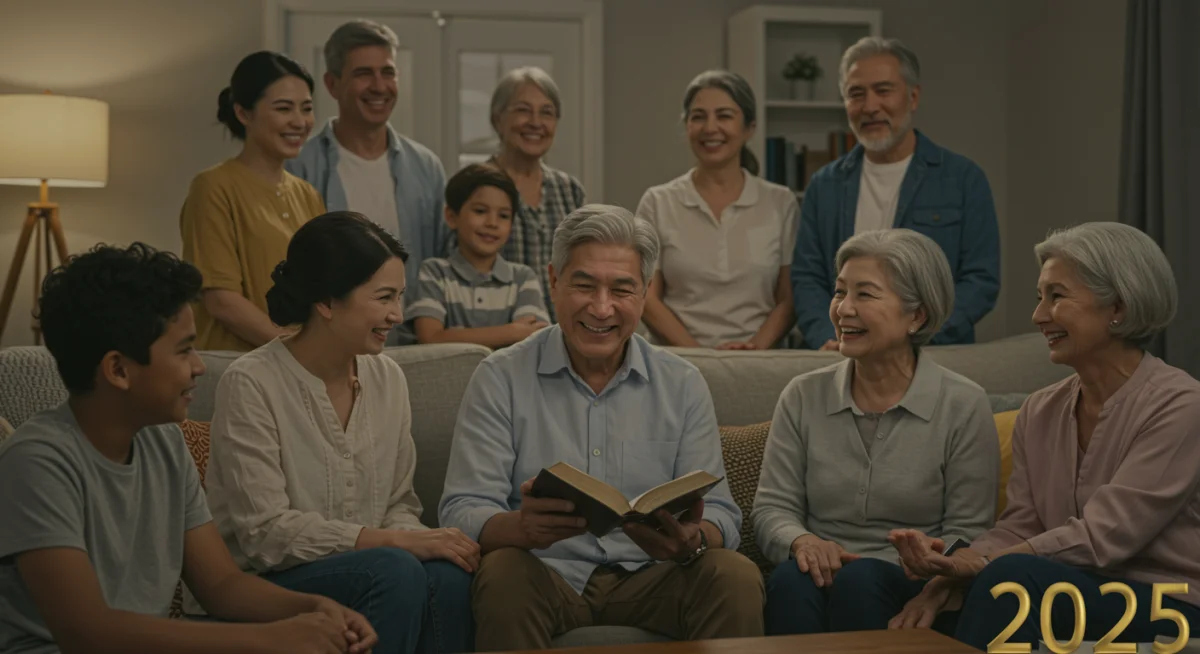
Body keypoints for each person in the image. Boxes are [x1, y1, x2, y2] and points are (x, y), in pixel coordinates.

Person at [0, 242, 376, 654]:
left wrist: (315, 608)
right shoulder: (37, 462)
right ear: (118, 369)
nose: (199, 365)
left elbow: (220, 584)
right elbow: (88, 632)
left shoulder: (162, 440)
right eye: (183, 350)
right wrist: (270, 639)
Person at [438, 204, 765, 652]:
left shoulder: (682, 383)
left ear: (646, 293)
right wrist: (520, 528)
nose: (601, 307)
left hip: (655, 576)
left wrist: (691, 540)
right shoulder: (501, 376)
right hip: (545, 573)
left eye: (622, 289)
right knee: (503, 574)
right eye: (584, 285)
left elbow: (724, 513)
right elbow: (461, 508)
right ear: (553, 280)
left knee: (734, 574)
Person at [887, 222, 1200, 651]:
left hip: (1167, 604)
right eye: (1040, 297)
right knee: (901, 590)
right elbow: (1021, 525)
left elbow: (1105, 537)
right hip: (1066, 586)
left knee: (1009, 580)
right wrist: (951, 566)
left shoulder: (1181, 404)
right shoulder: (1041, 409)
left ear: (1120, 308)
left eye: (1057, 296)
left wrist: (981, 564)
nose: (1038, 316)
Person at [202, 212, 478, 654]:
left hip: (377, 568)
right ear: (326, 302)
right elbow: (265, 534)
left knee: (447, 572)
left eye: (401, 296)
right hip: (270, 580)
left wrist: (413, 539)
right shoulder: (252, 382)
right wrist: (396, 543)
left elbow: (398, 505)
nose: (398, 314)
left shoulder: (387, 377)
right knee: (394, 568)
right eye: (384, 297)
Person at [752, 229, 999, 635]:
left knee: (861, 580)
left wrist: (934, 573)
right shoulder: (803, 394)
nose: (843, 309)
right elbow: (771, 509)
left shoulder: (963, 403)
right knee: (789, 582)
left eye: (864, 295)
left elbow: (969, 531)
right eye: (839, 291)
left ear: (916, 315)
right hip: (818, 571)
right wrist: (803, 543)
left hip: (909, 581)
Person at [792, 36, 1000, 350]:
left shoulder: (964, 179)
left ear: (913, 97)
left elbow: (980, 281)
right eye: (856, 94)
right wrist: (831, 336)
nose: (870, 106)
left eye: (883, 90)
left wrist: (911, 335)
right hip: (844, 357)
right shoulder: (824, 186)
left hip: (934, 354)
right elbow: (807, 278)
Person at [287, 19, 448, 297]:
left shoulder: (426, 167)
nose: (379, 86)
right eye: (364, 73)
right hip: (330, 337)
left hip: (414, 336)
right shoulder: (298, 167)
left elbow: (442, 261)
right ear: (332, 84)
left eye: (387, 72)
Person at [638, 70, 798, 349]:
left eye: (724, 116)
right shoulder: (657, 203)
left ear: (749, 128)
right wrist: (703, 358)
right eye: (698, 117)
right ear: (686, 125)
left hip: (759, 364)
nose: (710, 128)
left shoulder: (780, 203)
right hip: (678, 362)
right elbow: (647, 298)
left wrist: (752, 351)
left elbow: (790, 298)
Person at [180, 50, 326, 352]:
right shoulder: (212, 187)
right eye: (284, 109)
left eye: (307, 108)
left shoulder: (307, 194)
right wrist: (297, 349)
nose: (300, 122)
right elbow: (221, 301)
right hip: (233, 368)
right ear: (243, 113)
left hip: (298, 368)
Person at [409, 163, 549, 347]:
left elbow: (534, 340)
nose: (492, 223)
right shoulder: (435, 273)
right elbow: (430, 338)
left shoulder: (523, 278)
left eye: (504, 216)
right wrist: (512, 331)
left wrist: (452, 336)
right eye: (480, 211)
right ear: (451, 217)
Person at [486, 67, 586, 322]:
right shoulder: (477, 185)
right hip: (500, 338)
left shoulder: (569, 190)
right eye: (522, 110)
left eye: (547, 113)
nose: (536, 122)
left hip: (563, 337)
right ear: (498, 119)